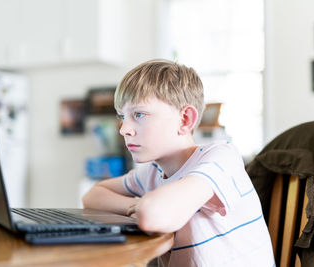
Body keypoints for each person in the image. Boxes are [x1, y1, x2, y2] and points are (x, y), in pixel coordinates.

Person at [82, 59, 274, 266]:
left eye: (138, 114)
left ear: (185, 120)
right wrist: (135, 205)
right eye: (122, 116)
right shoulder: (153, 171)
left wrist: (144, 207)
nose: (124, 129)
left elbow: (154, 215)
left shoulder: (221, 157)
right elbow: (93, 195)